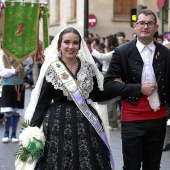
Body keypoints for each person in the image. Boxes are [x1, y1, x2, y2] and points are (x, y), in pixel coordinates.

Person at [21, 27, 114, 169]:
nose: (71, 47)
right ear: (60, 45)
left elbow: (95, 95)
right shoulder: (52, 69)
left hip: (86, 123)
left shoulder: (88, 68)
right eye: (67, 42)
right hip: (57, 124)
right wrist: (32, 130)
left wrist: (118, 89)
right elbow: (43, 103)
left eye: (75, 43)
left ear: (80, 45)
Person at [104, 10, 170, 170]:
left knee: (153, 166)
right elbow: (109, 84)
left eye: (149, 23)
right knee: (131, 166)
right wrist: (139, 89)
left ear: (156, 27)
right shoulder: (122, 52)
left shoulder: (166, 53)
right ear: (135, 26)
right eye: (142, 23)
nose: (145, 26)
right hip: (132, 117)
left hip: (158, 118)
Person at [0, 49, 33, 143]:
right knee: (8, 111)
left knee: (16, 112)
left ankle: (14, 134)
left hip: (20, 86)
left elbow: (30, 61)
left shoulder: (19, 54)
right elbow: (1, 72)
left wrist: (25, 51)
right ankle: (6, 133)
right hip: (7, 86)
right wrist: (15, 70)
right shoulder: (2, 55)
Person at [91, 34, 119, 131]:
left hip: (108, 75)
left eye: (106, 41)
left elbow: (102, 57)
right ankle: (109, 121)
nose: (104, 43)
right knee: (105, 100)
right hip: (104, 73)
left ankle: (113, 123)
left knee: (110, 101)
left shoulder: (114, 52)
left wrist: (92, 49)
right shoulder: (110, 51)